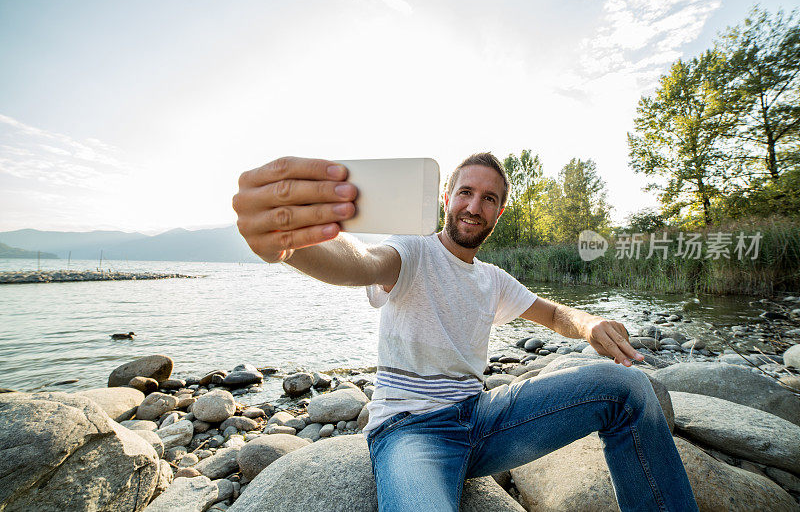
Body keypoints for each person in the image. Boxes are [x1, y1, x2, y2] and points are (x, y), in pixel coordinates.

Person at [232, 153, 698, 512]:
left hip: (484, 420)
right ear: (448, 198)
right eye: (466, 192)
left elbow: (555, 315)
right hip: (412, 430)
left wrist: (590, 322)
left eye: (489, 199)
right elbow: (362, 264)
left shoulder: (492, 279)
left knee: (628, 388)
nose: (475, 206)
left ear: (498, 213)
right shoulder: (412, 252)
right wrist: (291, 245)